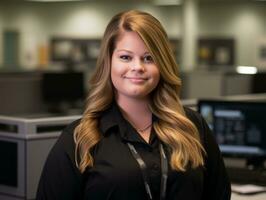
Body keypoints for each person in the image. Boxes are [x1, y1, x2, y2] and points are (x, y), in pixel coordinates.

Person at [36, 10, 231, 200]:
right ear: (109, 62)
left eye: (149, 58)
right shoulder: (79, 139)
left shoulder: (192, 126)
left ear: (162, 64)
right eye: (125, 57)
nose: (137, 67)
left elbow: (219, 194)